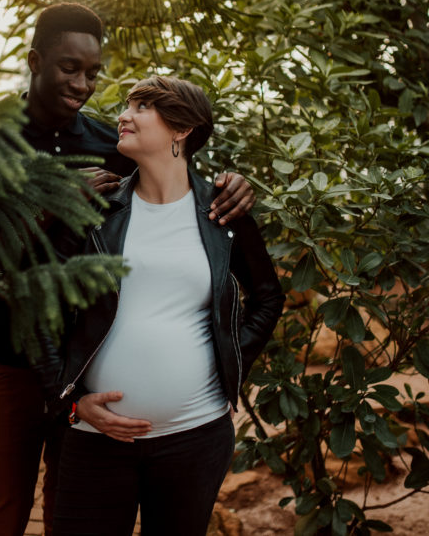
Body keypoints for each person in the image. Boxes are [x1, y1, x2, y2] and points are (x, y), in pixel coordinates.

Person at [0, 4, 256, 536]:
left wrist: (236, 186)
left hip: (86, 367)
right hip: (12, 363)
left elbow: (172, 185)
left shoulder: (110, 145)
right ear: (35, 61)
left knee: (68, 512)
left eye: (92, 73)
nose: (82, 84)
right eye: (68, 68)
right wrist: (52, 208)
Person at [49, 75, 285, 536]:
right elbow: (43, 309)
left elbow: (268, 297)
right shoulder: (96, 211)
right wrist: (72, 402)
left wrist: (229, 364)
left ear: (182, 129)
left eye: (141, 106)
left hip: (196, 439)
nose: (123, 115)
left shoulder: (222, 212)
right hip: (93, 440)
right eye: (127, 105)